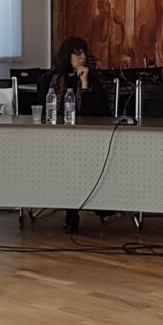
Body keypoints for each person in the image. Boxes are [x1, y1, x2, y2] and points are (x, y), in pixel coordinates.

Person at [37, 36, 112, 233]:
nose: (82, 57)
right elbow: (42, 113)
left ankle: (73, 211)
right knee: (68, 157)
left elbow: (95, 117)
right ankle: (74, 210)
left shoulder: (94, 80)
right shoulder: (49, 81)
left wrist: (85, 84)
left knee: (74, 158)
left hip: (88, 139)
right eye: (77, 53)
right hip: (55, 139)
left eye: (84, 52)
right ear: (66, 56)